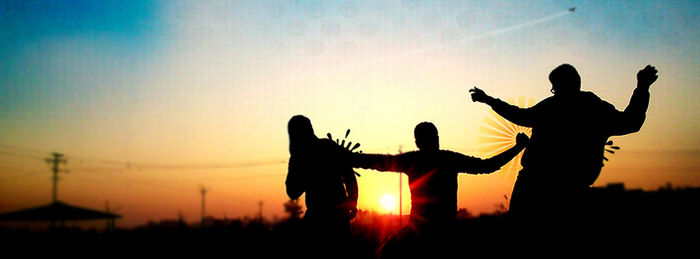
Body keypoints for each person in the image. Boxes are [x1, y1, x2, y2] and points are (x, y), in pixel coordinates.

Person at [469, 64, 658, 224]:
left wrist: (488, 100)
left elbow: (520, 115)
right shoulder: (593, 108)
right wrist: (642, 88)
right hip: (565, 190)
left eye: (554, 87)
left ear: (560, 85)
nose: (554, 91)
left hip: (537, 189)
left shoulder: (555, 107)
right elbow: (631, 122)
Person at [351, 122, 529, 258]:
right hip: (444, 232)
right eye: (432, 136)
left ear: (417, 141)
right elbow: (488, 166)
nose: (434, 139)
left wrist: (347, 157)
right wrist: (517, 147)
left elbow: (376, 162)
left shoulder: (415, 160)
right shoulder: (447, 159)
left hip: (426, 232)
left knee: (386, 254)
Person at [285, 115, 358, 256]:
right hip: (327, 219)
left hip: (324, 219)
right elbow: (349, 174)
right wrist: (353, 201)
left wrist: (352, 202)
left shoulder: (302, 156)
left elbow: (292, 192)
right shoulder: (326, 148)